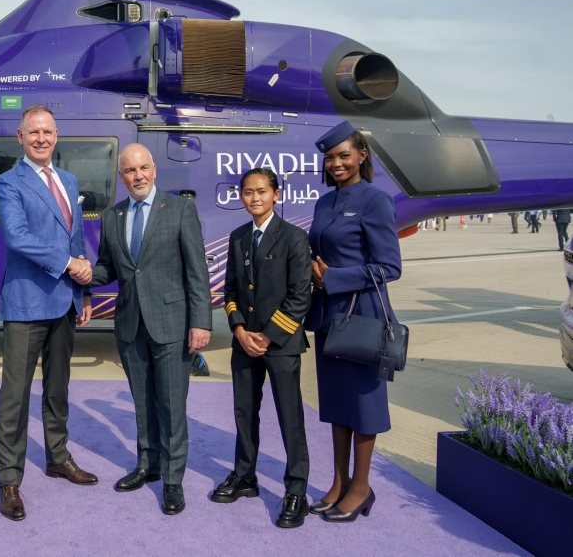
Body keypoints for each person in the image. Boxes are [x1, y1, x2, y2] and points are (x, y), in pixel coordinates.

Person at [90, 143, 212, 516]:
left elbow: (196, 271)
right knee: (143, 402)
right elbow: (108, 268)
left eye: (143, 168)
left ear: (154, 169)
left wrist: (200, 321)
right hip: (131, 325)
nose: (138, 175)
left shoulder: (179, 209)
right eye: (130, 170)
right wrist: (81, 272)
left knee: (172, 405)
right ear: (122, 176)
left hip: (172, 324)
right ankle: (149, 464)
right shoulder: (112, 217)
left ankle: (173, 480)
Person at [0, 105, 96, 521]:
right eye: (33, 132)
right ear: (20, 137)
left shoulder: (68, 180)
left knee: (58, 389)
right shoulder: (8, 181)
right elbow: (17, 237)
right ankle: (9, 479)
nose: (41, 138)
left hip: (65, 300)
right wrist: (69, 264)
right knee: (15, 396)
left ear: (56, 136)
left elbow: (76, 238)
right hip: (26, 301)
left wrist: (83, 289)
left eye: (48, 132)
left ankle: (58, 457)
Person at [305, 122, 402, 523]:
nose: (337, 163)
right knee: (337, 403)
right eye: (330, 158)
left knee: (363, 404)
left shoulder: (376, 200)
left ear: (361, 156)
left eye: (344, 155)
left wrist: (334, 278)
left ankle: (361, 487)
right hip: (330, 317)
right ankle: (339, 482)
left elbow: (389, 267)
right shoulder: (324, 202)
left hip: (363, 317)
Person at [214, 167, 312, 528]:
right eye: (248, 192)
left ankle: (296, 489)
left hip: (280, 343)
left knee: (290, 417)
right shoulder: (239, 237)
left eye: (261, 191)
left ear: (276, 195)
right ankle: (245, 476)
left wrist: (268, 336)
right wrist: (239, 329)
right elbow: (230, 290)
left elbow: (300, 296)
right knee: (244, 412)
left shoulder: (294, 238)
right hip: (245, 343)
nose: (254, 198)